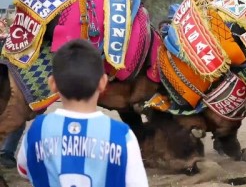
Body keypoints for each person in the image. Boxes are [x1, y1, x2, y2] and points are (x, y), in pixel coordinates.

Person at [16, 40, 148, 187]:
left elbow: (23, 169)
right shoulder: (122, 135)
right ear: (103, 83)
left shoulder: (37, 129)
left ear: (52, 84)